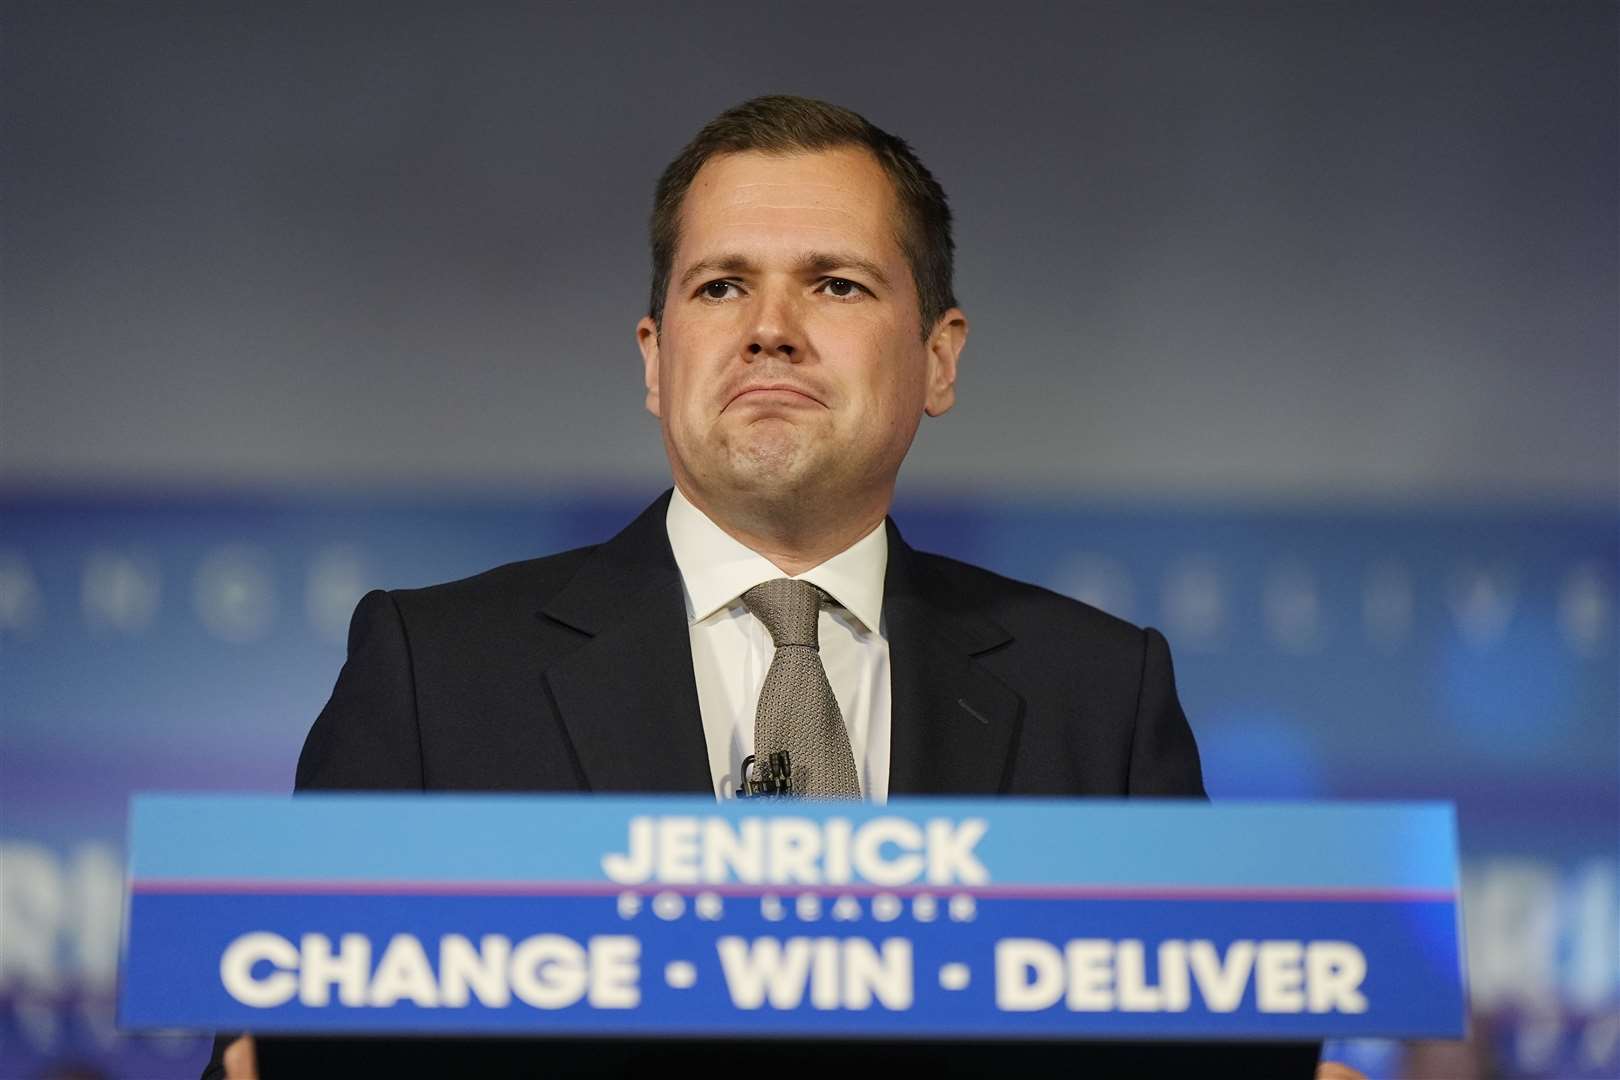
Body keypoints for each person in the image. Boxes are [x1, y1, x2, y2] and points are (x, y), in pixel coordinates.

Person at [208, 94, 1327, 1078]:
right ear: (656, 358)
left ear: (939, 358)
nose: (770, 332)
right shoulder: (435, 674)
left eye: (835, 285)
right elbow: (275, 1051)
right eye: (721, 286)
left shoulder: (1100, 693)